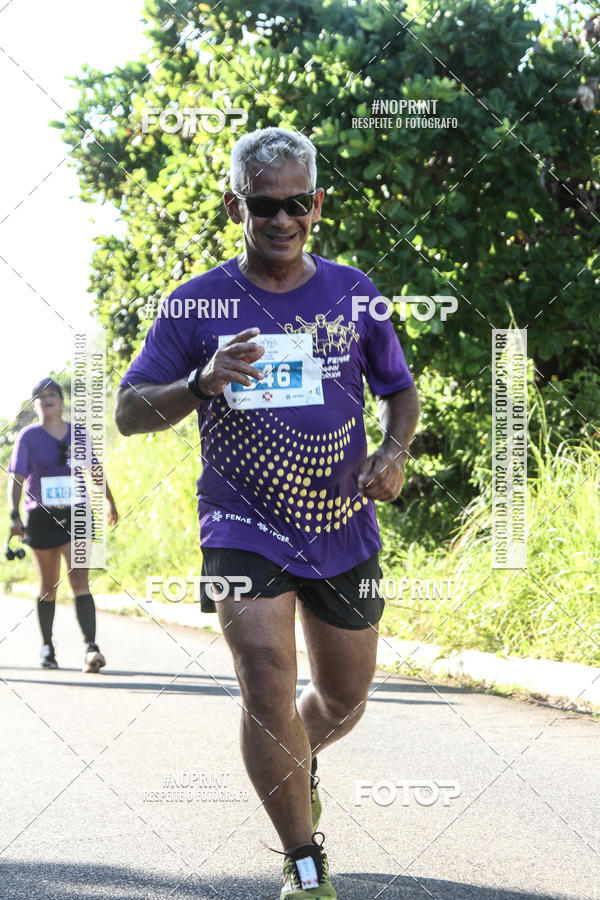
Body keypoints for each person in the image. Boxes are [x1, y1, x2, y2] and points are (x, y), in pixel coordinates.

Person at [115, 127, 419, 899]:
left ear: (316, 204)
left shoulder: (355, 291)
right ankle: (304, 862)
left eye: (295, 204)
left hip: (340, 524)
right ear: (235, 205)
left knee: (343, 697)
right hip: (241, 526)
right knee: (265, 684)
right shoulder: (197, 303)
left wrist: (393, 452)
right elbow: (127, 411)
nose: (281, 220)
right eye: (263, 205)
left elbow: (400, 390)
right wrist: (202, 381)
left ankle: (294, 759)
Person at [7, 378, 118, 672]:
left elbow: (95, 470)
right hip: (41, 516)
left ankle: (91, 648)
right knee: (48, 586)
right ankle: (48, 647)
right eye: (40, 396)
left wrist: (109, 500)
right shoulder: (27, 437)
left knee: (80, 580)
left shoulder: (78, 434)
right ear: (34, 405)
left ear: (61, 400)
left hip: (77, 513)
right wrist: (13, 515)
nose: (47, 399)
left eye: (52, 394)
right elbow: (16, 479)